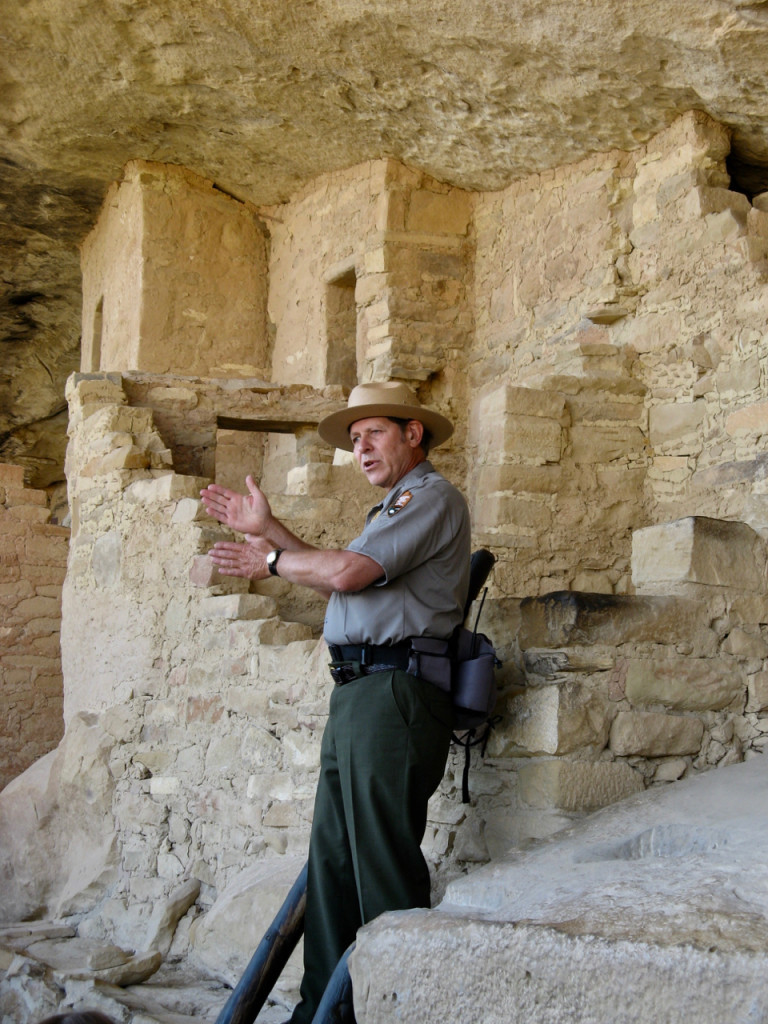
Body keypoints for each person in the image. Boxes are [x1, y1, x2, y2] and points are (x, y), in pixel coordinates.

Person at [201, 380, 471, 1024]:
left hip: (394, 691)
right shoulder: (387, 513)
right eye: (354, 441)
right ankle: (322, 1011)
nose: (361, 449)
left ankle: (394, 1008)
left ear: (414, 432)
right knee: (333, 862)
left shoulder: (429, 497)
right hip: (360, 691)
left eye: (373, 432)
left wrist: (268, 558)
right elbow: (338, 578)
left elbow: (345, 574)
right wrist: (271, 532)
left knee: (379, 865)